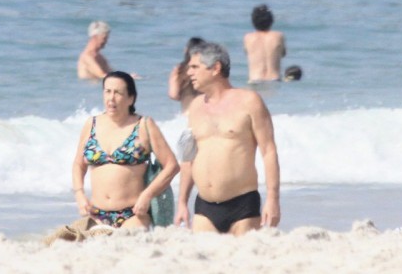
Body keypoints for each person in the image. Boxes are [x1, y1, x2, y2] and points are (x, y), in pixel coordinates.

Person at [183, 41, 280, 235]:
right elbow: (188, 157)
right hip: (204, 207)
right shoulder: (194, 107)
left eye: (194, 67)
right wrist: (182, 203)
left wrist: (273, 199)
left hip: (242, 205)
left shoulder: (249, 101)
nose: (189, 72)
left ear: (215, 68)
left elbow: (268, 151)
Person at [71, 71, 178, 229]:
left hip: (133, 214)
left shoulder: (144, 125)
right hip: (96, 213)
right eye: (107, 91)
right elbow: (78, 164)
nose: (111, 98)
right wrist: (79, 194)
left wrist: (147, 195)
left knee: (127, 241)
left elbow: (172, 166)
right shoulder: (91, 124)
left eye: (118, 93)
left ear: (131, 98)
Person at [167, 37, 205, 226]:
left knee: (187, 164)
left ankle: (183, 205)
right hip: (204, 121)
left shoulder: (180, 70)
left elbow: (173, 94)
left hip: (185, 121)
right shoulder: (205, 71)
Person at [243, 4, 286, 82]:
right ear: (271, 21)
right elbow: (283, 54)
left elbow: (247, 53)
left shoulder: (248, 38)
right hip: (274, 79)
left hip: (255, 80)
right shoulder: (278, 36)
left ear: (253, 21)